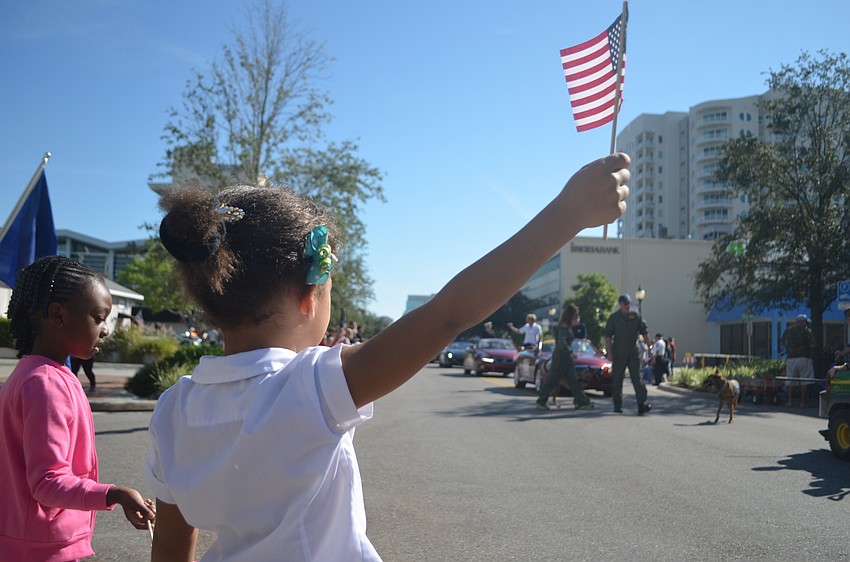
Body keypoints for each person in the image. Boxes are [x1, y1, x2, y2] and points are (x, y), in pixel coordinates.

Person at [145, 153, 630, 560]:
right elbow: (448, 315)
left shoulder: (171, 410)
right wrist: (566, 215)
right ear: (309, 295)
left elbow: (170, 538)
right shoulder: (309, 386)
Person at [0, 255, 156, 560]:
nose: (106, 329)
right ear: (57, 315)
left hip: (28, 540)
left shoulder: (37, 375)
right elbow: (48, 481)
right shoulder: (44, 384)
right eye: (98, 318)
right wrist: (116, 494)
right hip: (41, 549)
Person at [535, 304, 595, 411]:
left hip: (566, 359)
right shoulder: (564, 326)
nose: (577, 318)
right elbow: (562, 342)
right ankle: (541, 402)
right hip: (561, 358)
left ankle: (582, 402)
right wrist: (570, 352)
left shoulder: (568, 327)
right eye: (576, 316)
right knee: (551, 380)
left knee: (573, 381)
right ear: (570, 316)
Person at [604, 294, 652, 415]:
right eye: (625, 304)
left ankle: (642, 404)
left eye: (628, 303)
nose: (627, 306)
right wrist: (609, 353)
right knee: (617, 380)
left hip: (632, 353)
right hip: (619, 353)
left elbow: (644, 331)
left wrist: (649, 348)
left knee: (637, 378)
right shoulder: (614, 318)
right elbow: (608, 336)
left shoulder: (635, 316)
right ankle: (617, 404)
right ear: (620, 304)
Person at [782, 313, 815, 407]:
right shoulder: (807, 331)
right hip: (804, 358)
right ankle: (802, 403)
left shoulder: (788, 330)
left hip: (791, 358)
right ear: (804, 322)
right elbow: (812, 344)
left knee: (790, 380)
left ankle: (789, 402)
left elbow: (782, 343)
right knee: (805, 380)